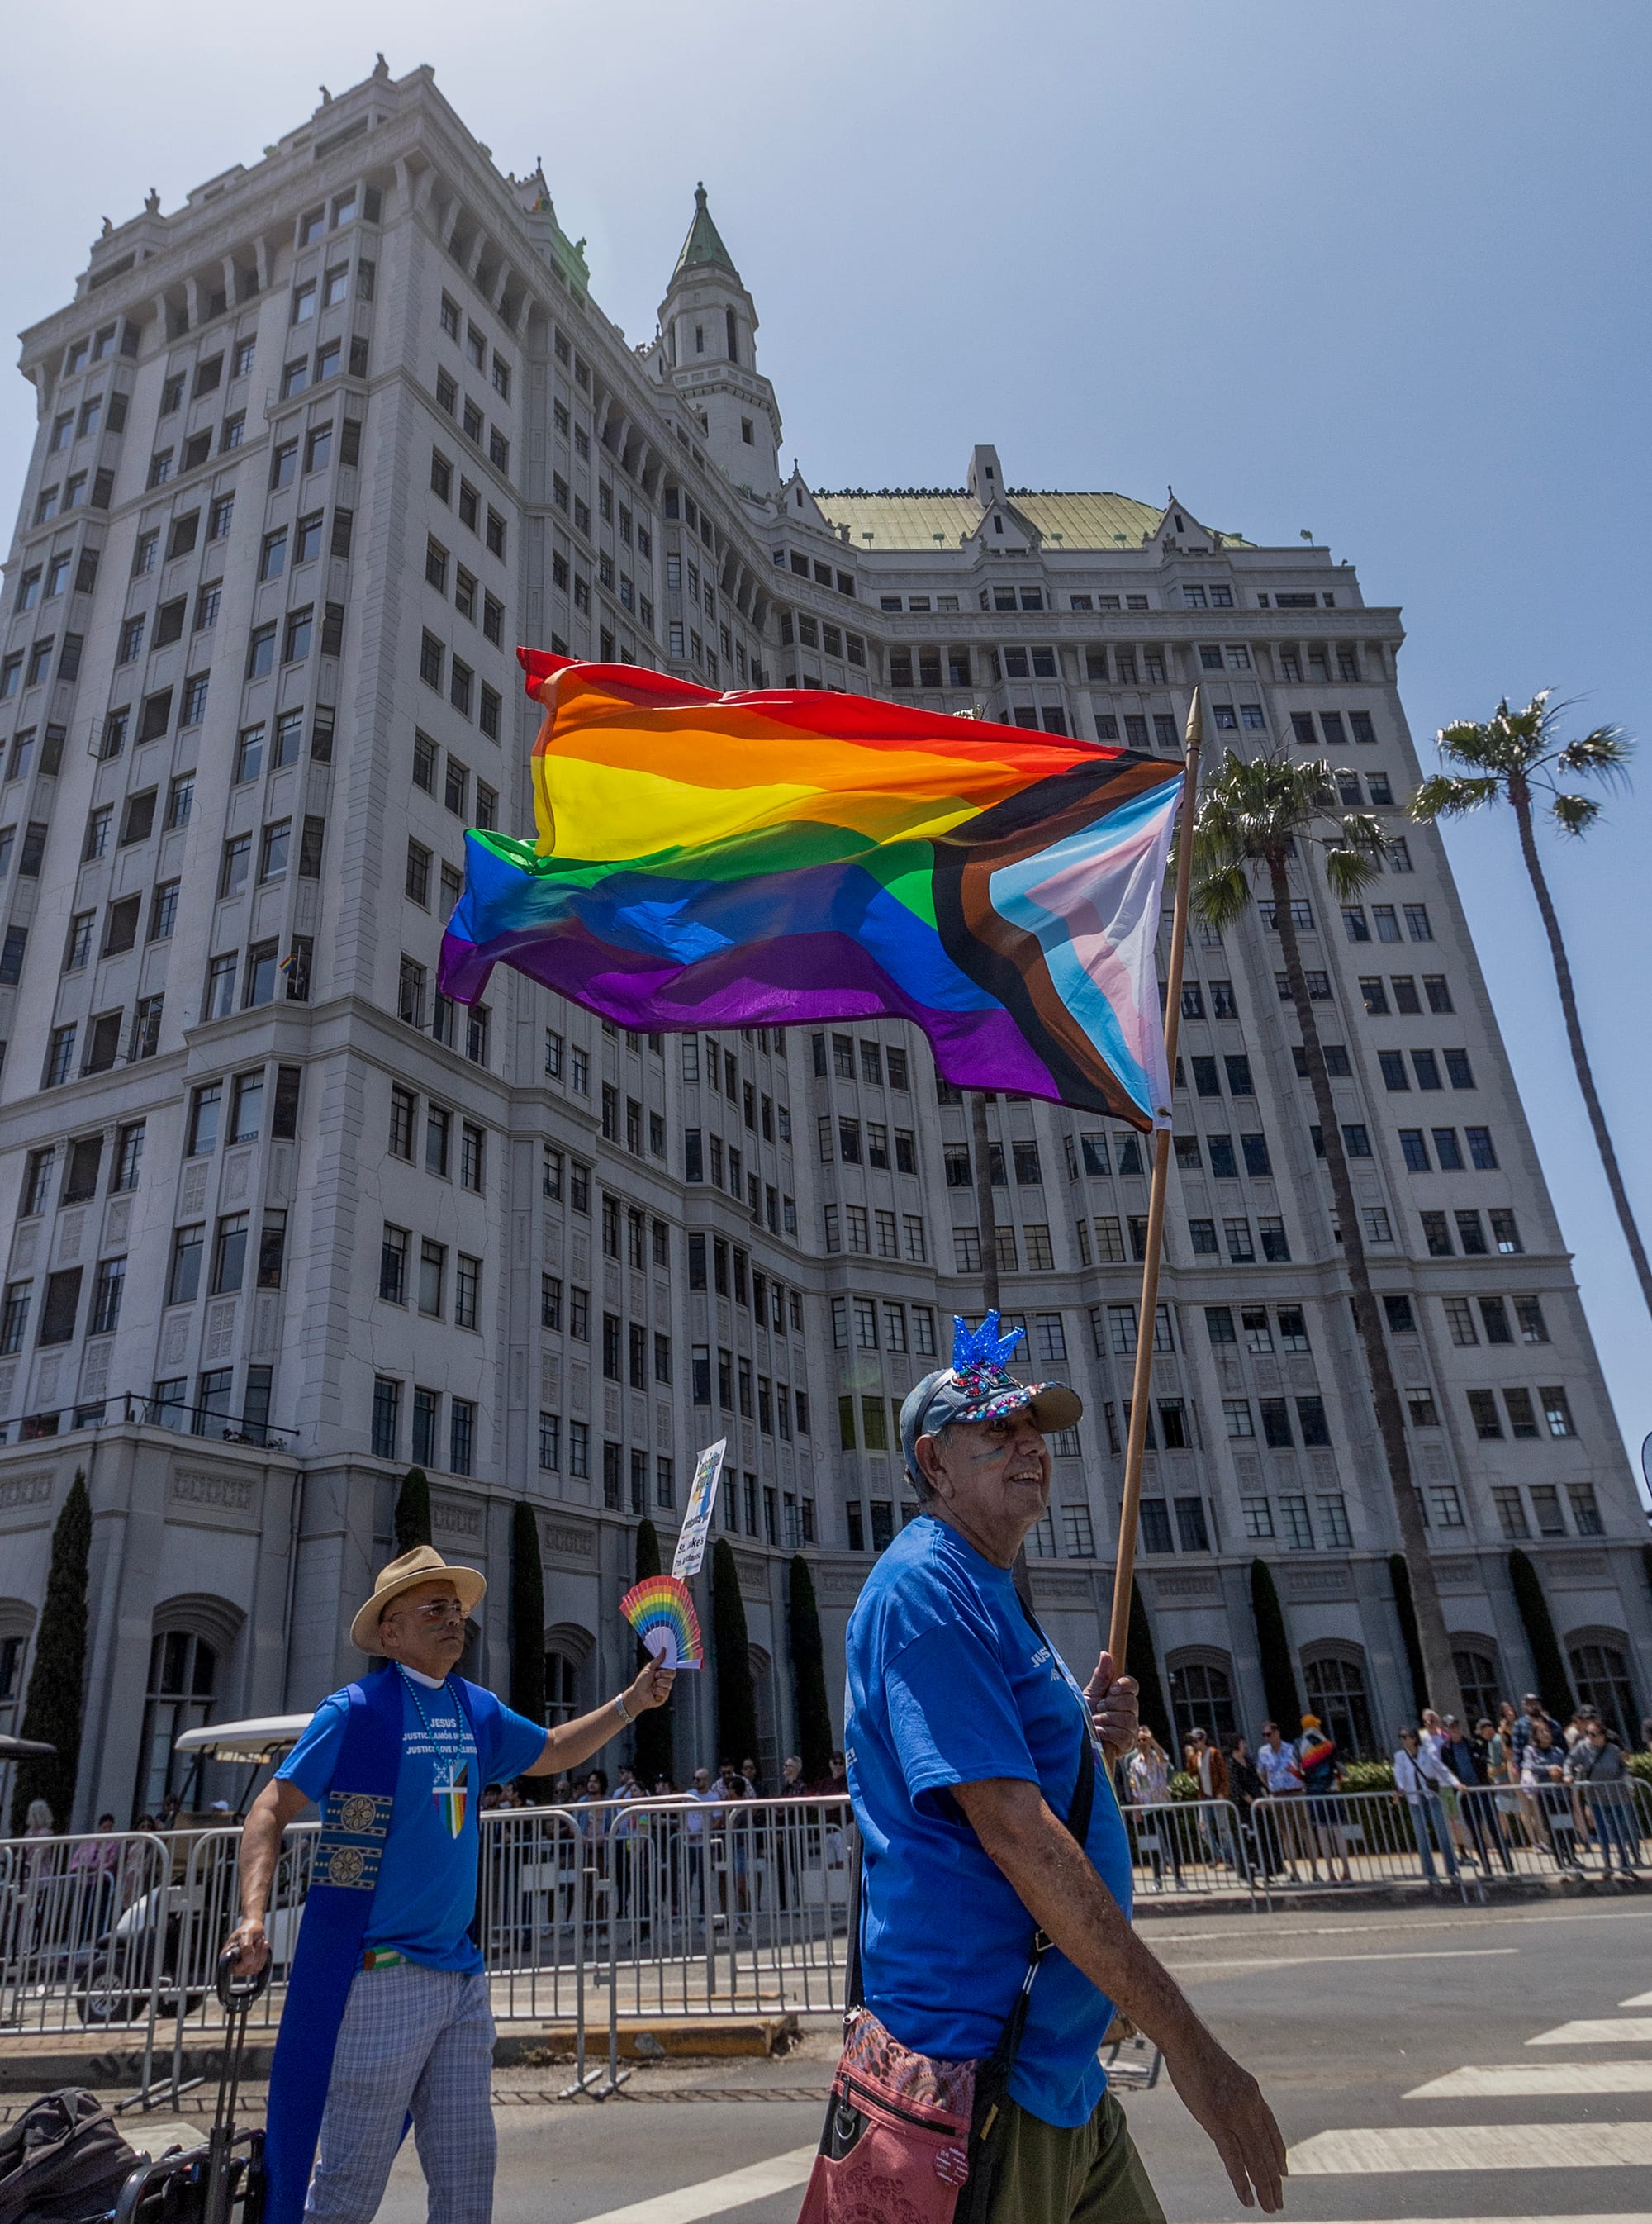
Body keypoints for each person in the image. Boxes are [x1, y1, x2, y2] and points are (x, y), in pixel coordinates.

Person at [844, 1314, 1284, 2221]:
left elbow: (1015, 1784)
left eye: (1034, 1430)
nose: (1028, 1447)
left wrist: (1090, 1747)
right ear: (933, 1463)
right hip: (983, 2075)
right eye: (997, 1431)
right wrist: (1198, 2057)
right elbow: (1012, 1832)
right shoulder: (926, 1589)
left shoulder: (986, 1583)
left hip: (1055, 2071)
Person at [221, 1544, 674, 2224]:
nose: (453, 1618)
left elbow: (550, 1751)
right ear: (391, 1632)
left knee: (468, 2181)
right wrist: (252, 1916)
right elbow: (270, 1808)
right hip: (379, 1977)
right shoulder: (354, 1711)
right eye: (433, 1608)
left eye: (456, 1607)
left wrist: (630, 1704)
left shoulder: (475, 1708)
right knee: (346, 2191)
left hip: (462, 1981)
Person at [1568, 1718, 1640, 1875]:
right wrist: (1568, 1775)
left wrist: (1626, 1780)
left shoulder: (1613, 1750)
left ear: (1603, 1736)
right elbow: (1569, 1762)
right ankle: (1607, 1865)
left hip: (1617, 1797)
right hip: (1596, 1798)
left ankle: (1624, 1863)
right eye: (1587, 1733)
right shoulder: (1582, 1748)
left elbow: (1623, 1768)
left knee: (1619, 1830)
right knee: (1602, 1832)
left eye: (1593, 1734)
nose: (1590, 1737)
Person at [1393, 1728, 1457, 1884]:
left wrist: (1456, 1783)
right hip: (1415, 1799)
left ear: (1414, 1738)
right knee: (1422, 1839)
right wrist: (1400, 1788)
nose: (1403, 1740)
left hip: (1431, 1797)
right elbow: (1399, 1773)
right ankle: (1431, 1875)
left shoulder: (1426, 1752)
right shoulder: (1400, 1756)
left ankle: (1452, 1872)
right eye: (1401, 1737)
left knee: (1443, 1835)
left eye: (1405, 1736)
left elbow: (1441, 1769)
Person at [1295, 1715, 1350, 1884]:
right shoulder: (1327, 1743)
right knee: (1337, 1832)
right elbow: (1340, 1766)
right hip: (1331, 1790)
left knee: (1322, 1833)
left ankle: (1331, 1872)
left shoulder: (1299, 1745)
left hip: (1313, 1791)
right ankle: (1346, 1871)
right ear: (1316, 1726)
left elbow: (1297, 1770)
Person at [1254, 1723, 1305, 1879]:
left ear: (1277, 1733)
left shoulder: (1291, 1749)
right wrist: (1267, 1791)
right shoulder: (1263, 1752)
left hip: (1296, 1793)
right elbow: (1261, 1773)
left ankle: (1315, 1871)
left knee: (1305, 1831)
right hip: (1277, 1796)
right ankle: (1294, 1872)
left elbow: (1302, 1768)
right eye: (1264, 1735)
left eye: (1269, 1734)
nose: (1267, 1738)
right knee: (1286, 1834)